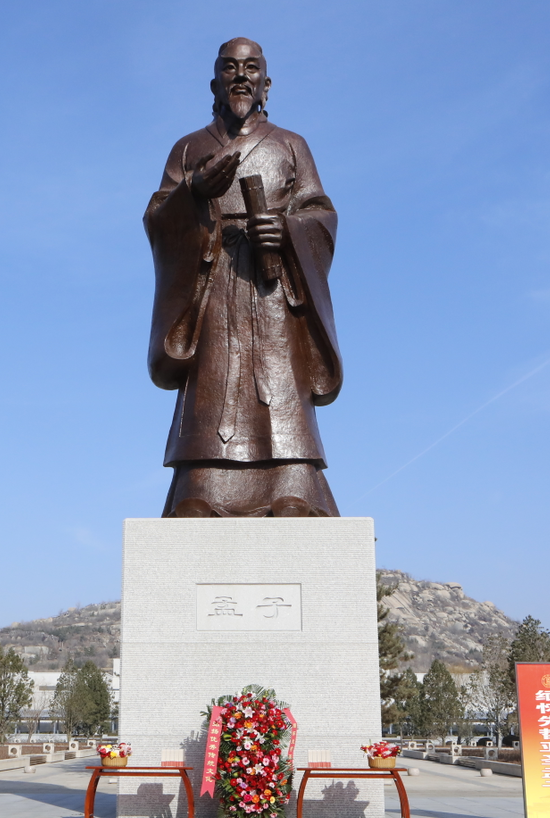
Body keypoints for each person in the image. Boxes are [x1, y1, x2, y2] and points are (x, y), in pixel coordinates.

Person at [145, 37, 342, 518]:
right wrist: (193, 192)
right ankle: (202, 484)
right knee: (215, 382)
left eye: (251, 68)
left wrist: (287, 231)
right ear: (214, 84)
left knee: (279, 378)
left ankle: (293, 482)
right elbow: (157, 219)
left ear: (266, 85)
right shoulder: (188, 147)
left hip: (272, 285)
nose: (240, 76)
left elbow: (321, 215)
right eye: (230, 68)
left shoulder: (291, 145)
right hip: (212, 282)